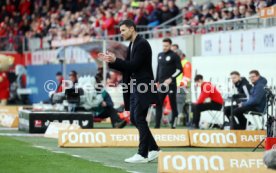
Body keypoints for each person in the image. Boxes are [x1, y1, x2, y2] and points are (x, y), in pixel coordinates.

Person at [98, 19, 160, 163]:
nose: (121, 33)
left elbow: (133, 66)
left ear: (132, 29)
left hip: (143, 86)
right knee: (134, 118)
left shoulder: (142, 44)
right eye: (120, 31)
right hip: (134, 87)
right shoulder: (132, 44)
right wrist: (112, 61)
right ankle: (154, 149)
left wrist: (115, 60)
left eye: (123, 30)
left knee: (138, 118)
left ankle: (142, 154)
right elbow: (127, 67)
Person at [155, 38, 182, 129]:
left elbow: (179, 70)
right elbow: (158, 69)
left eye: (166, 46)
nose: (164, 47)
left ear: (170, 46)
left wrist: (171, 78)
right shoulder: (160, 55)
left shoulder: (174, 56)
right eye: (163, 45)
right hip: (161, 85)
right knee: (158, 104)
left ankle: (173, 125)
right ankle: (157, 126)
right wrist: (156, 81)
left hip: (171, 85)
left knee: (173, 104)